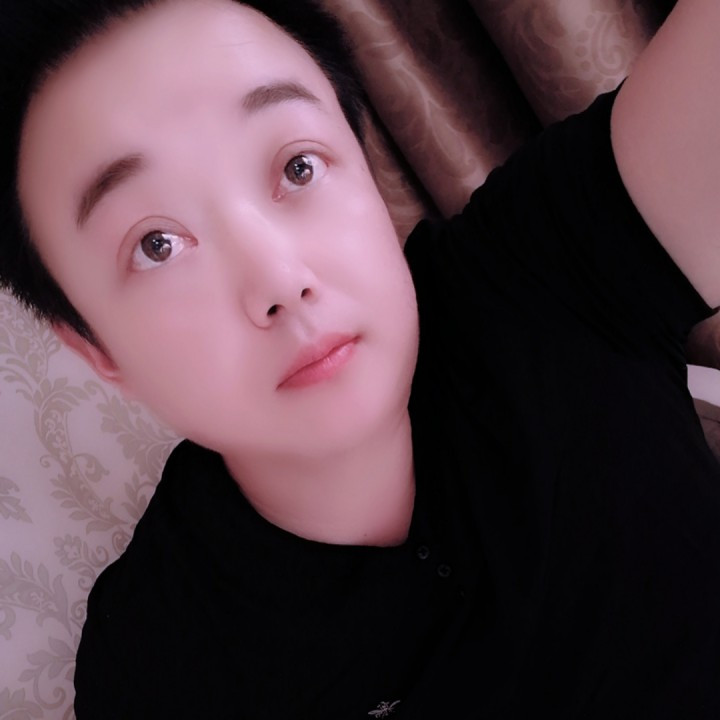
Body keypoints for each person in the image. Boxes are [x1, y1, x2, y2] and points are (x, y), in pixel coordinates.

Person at [2, 0, 720, 717]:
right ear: (98, 349)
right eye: (156, 244)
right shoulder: (156, 667)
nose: (280, 280)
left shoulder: (541, 267)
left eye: (299, 166)